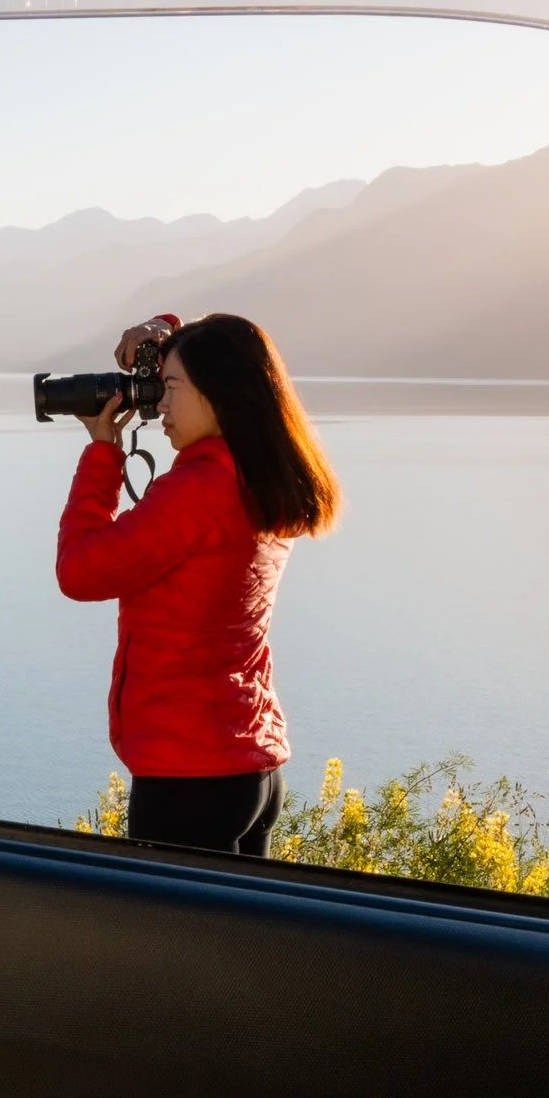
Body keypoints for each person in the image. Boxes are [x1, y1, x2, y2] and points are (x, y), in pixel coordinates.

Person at [55, 310, 342, 855]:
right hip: (247, 765)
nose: (159, 405)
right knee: (236, 940)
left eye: (170, 388)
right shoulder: (256, 471)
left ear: (218, 391)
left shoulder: (200, 488)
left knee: (168, 941)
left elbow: (80, 571)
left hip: (188, 776)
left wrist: (102, 457)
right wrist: (164, 329)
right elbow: (228, 346)